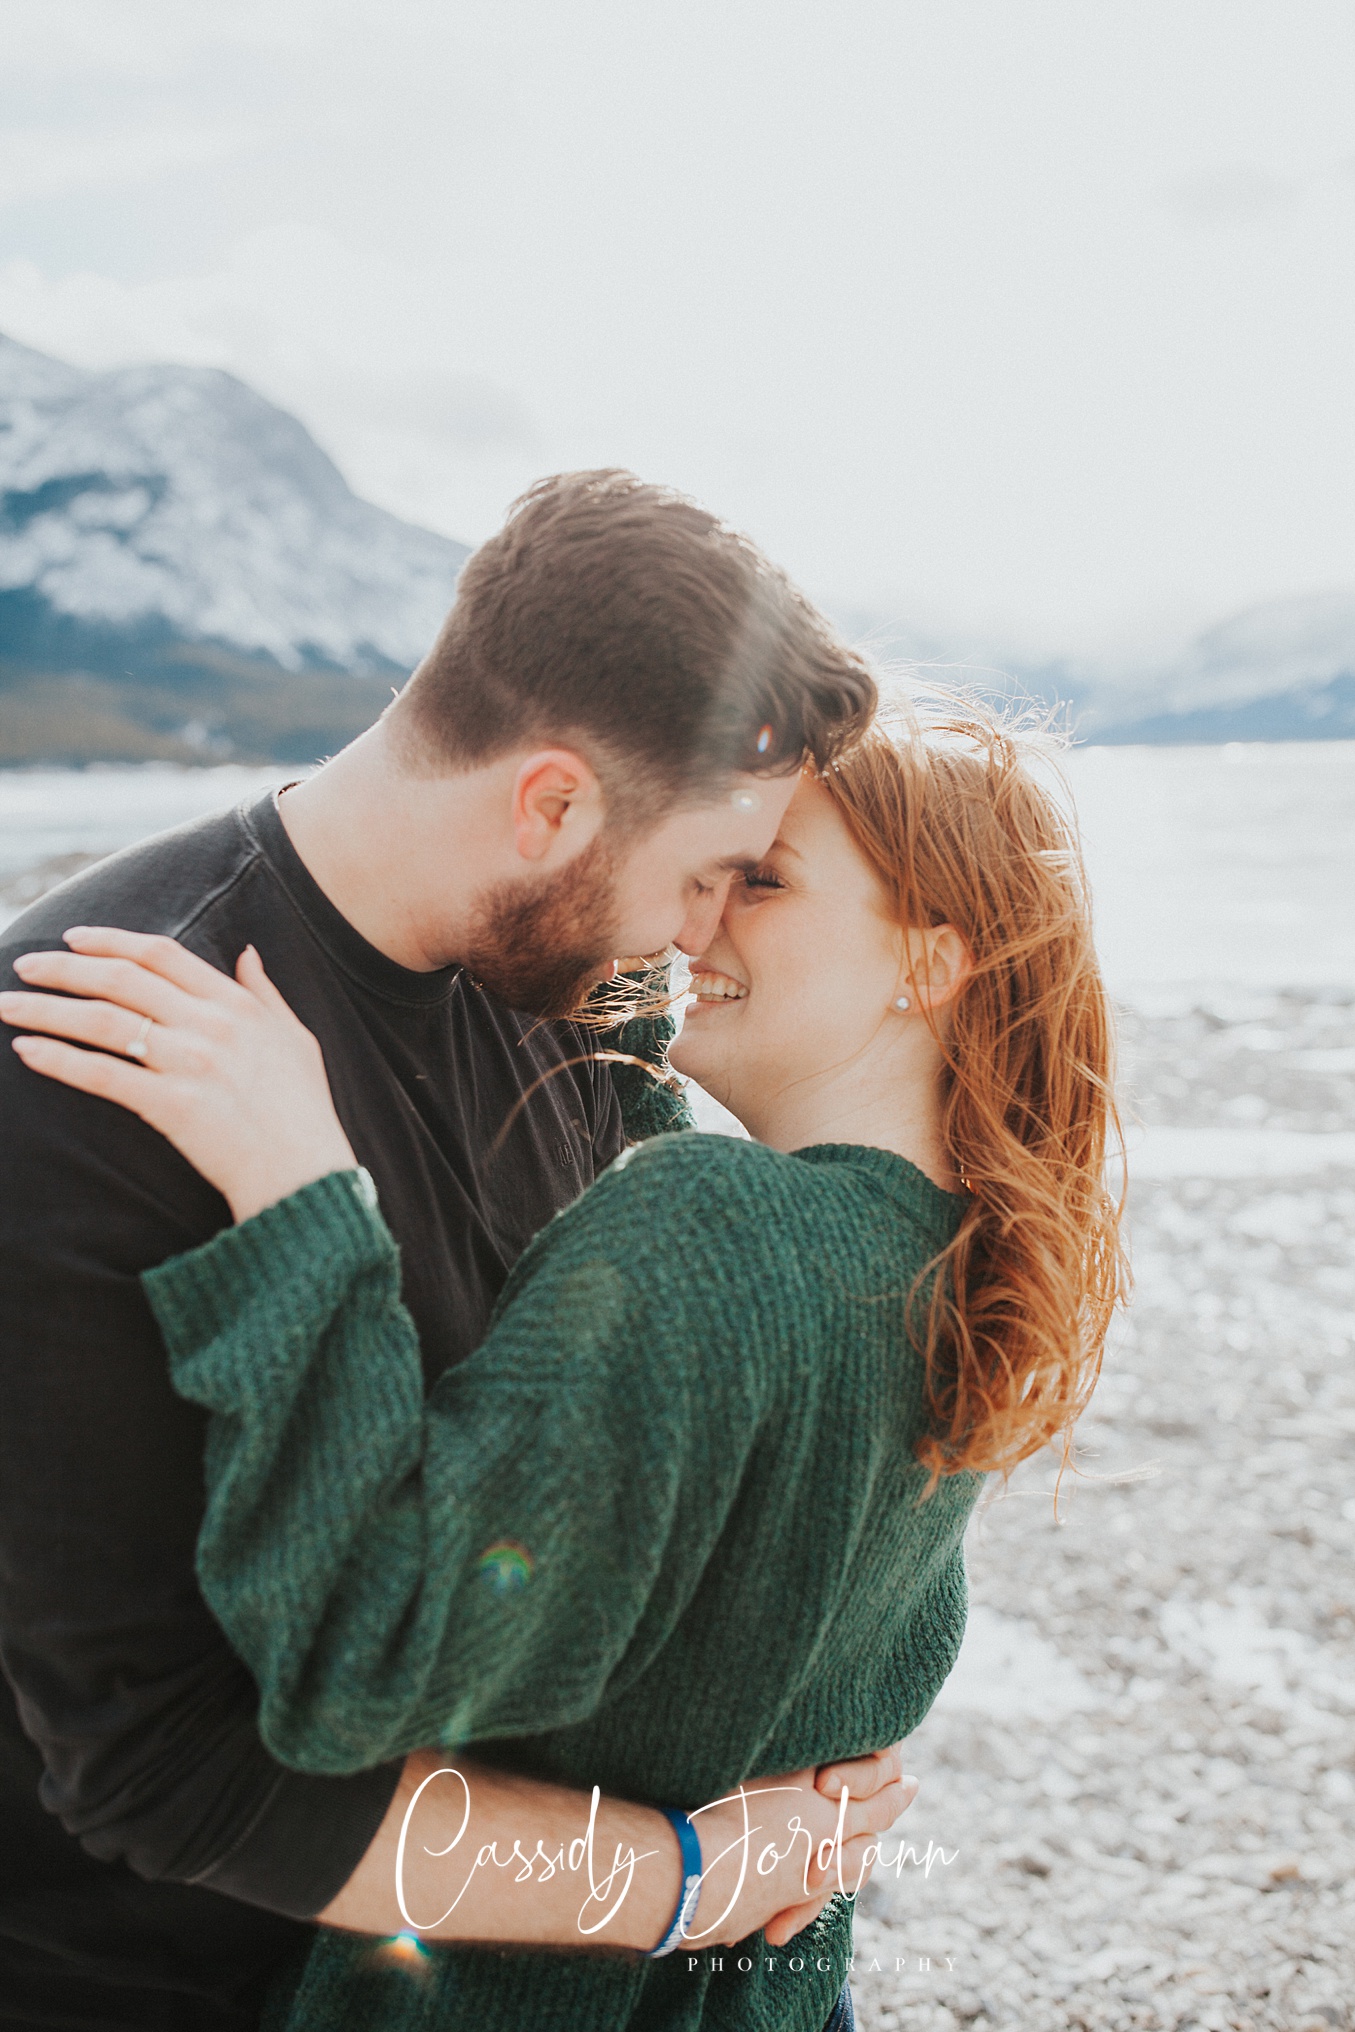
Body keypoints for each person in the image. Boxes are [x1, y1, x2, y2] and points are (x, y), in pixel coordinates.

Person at [3, 702, 1129, 2032]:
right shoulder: (969, 1285)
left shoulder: (712, 1227)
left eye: (763, 880)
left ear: (933, 959)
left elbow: (362, 1660)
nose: (698, 919)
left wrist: (305, 1198)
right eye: (711, 873)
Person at [0, 470, 893, 2031]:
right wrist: (676, 1881)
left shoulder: (566, 1000)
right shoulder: (91, 1062)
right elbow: (165, 1773)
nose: (700, 938)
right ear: (550, 800)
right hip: (162, 1984)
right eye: (702, 874)